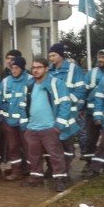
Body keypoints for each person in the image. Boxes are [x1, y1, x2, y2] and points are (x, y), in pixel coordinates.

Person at [21, 58, 73, 192]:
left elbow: (65, 104)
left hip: (50, 128)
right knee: (33, 155)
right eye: (33, 68)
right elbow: (22, 106)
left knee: (56, 155)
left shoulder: (56, 84)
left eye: (39, 67)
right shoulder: (29, 85)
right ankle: (36, 177)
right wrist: (25, 126)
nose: (35, 70)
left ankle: (60, 179)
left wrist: (58, 126)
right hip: (32, 128)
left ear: (46, 68)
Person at [48, 43, 86, 176]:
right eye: (50, 56)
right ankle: (55, 168)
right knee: (54, 141)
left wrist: (70, 104)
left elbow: (81, 90)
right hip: (53, 112)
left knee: (67, 140)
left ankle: (66, 168)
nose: (51, 58)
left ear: (60, 55)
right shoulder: (49, 71)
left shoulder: (74, 69)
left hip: (69, 111)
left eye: (54, 55)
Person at [0, 56, 34, 181]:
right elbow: (0, 99)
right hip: (9, 122)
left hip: (26, 123)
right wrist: (4, 113)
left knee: (28, 148)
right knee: (13, 147)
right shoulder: (5, 81)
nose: (13, 70)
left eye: (16, 68)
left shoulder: (31, 80)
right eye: (12, 68)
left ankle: (32, 172)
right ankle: (16, 171)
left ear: (22, 68)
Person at [82, 48, 104, 173]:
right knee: (91, 139)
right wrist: (82, 107)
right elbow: (83, 90)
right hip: (91, 113)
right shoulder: (92, 73)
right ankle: (89, 162)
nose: (101, 60)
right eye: (100, 57)